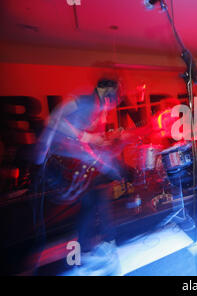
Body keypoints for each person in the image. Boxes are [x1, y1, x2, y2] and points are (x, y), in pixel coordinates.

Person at [36, 78, 131, 275]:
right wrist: (86, 138)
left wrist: (103, 142)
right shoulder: (85, 101)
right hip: (63, 162)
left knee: (94, 202)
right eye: (114, 96)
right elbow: (54, 120)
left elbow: (86, 140)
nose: (113, 102)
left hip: (77, 163)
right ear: (107, 91)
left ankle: (95, 250)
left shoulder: (97, 109)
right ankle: (90, 252)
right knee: (92, 202)